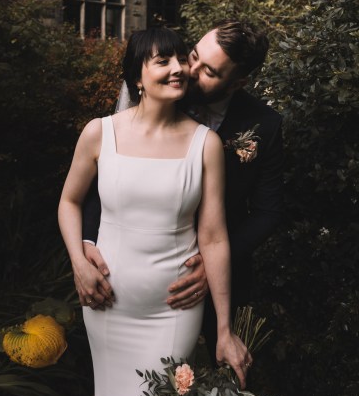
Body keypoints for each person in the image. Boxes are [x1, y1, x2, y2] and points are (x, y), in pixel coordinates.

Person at [58, 27, 252, 396]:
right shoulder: (99, 133)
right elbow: (69, 202)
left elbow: (213, 236)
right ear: (137, 77)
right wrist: (79, 261)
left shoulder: (206, 144)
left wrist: (224, 329)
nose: (179, 68)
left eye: (182, 58)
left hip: (173, 313)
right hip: (107, 306)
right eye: (163, 61)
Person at [81, 19, 284, 365]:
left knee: (209, 374)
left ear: (238, 83)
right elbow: (110, 173)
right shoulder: (165, 90)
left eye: (209, 72)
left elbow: (268, 212)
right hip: (130, 274)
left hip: (211, 273)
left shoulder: (264, 125)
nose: (189, 71)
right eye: (194, 56)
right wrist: (87, 243)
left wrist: (212, 262)